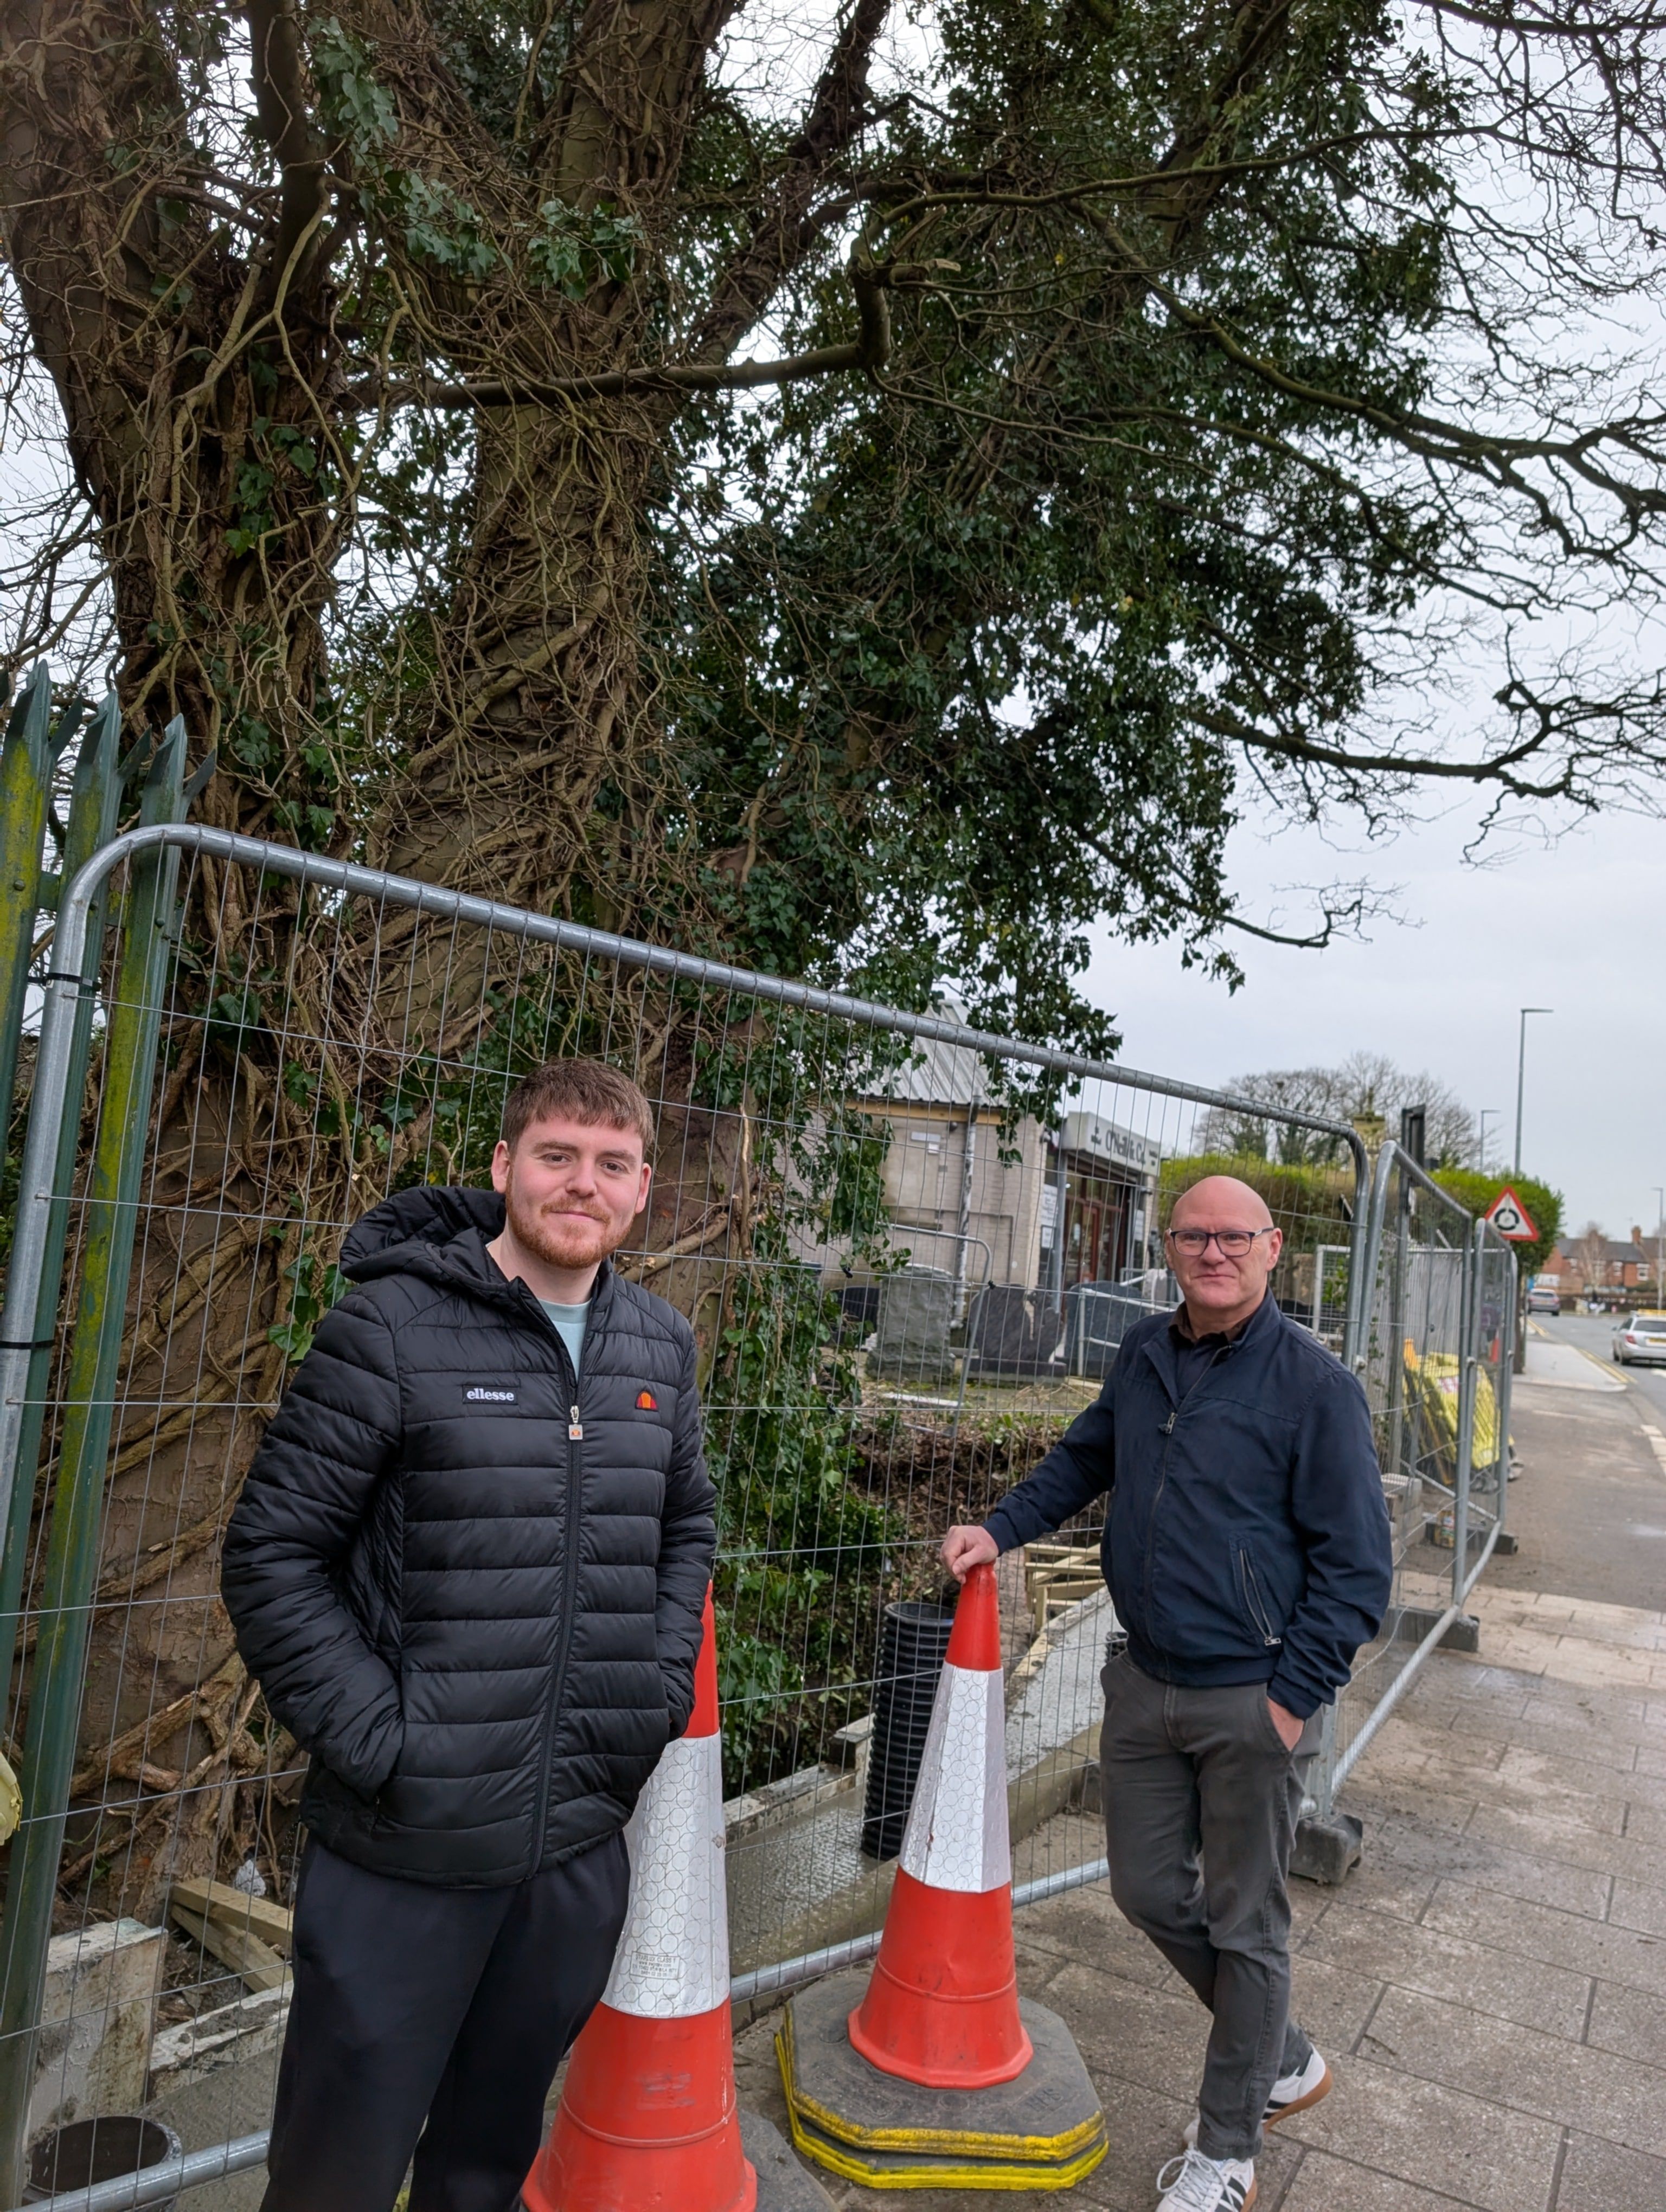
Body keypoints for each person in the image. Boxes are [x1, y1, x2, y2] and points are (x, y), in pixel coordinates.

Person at [222, 1057, 716, 2212]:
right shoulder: (390, 1327)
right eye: (555, 1156)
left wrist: (646, 1698)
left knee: (484, 2171)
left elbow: (685, 1526)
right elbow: (273, 1556)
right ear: (504, 1168)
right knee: (335, 2176)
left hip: (572, 1853)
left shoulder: (659, 1346)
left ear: (643, 1189)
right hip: (405, 1855)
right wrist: (390, 1745)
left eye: (611, 1165)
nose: (580, 1185)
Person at [943, 1175, 1391, 2212]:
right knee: (1147, 1892)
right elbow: (1087, 1457)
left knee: (1247, 1926)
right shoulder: (1145, 1353)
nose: (1215, 1252)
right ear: (1170, 1245)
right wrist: (1002, 1529)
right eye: (1195, 1235)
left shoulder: (1315, 1387)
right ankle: (1276, 2055)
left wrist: (1293, 1698)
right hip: (1146, 1681)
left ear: (1273, 1248)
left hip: (1254, 1698)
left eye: (1236, 1236)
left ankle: (1227, 2150)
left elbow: (1357, 1568)